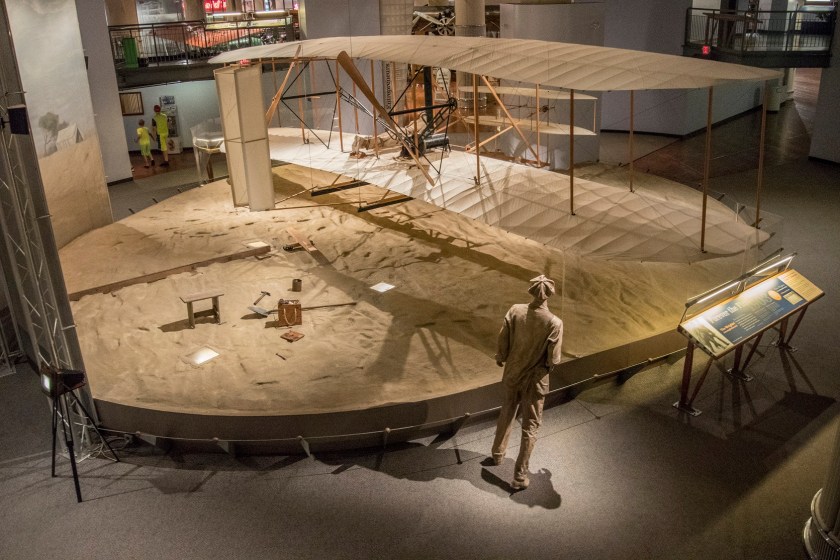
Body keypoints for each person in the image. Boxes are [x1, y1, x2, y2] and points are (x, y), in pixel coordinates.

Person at [491, 275, 563, 490]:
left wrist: (501, 356)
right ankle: (519, 477)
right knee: (530, 426)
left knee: (507, 410)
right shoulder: (554, 322)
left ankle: (497, 454)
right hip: (535, 381)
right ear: (549, 294)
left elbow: (503, 338)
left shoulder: (515, 310)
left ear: (531, 291)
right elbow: (553, 359)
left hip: (513, 373)